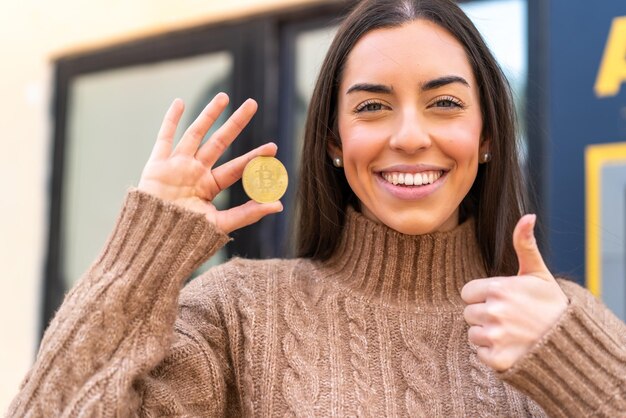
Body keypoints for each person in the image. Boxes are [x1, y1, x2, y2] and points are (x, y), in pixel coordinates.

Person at [8, 0, 626, 416]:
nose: (409, 135)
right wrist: (141, 258)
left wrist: (577, 362)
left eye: (444, 104)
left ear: (487, 134)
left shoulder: (558, 321)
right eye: (372, 107)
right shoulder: (239, 314)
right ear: (333, 141)